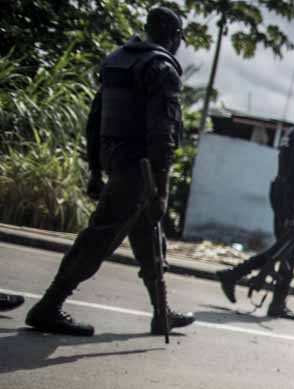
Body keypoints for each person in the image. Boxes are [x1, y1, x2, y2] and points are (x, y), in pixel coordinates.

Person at [24, 6, 193, 337]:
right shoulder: (161, 69)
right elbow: (162, 137)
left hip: (116, 158)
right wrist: (161, 190)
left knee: (150, 240)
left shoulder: (118, 59)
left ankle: (162, 312)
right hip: (140, 168)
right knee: (100, 237)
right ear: (174, 38)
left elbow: (96, 118)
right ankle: (50, 304)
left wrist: (95, 169)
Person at [217, 100, 294, 321]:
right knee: (290, 250)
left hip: (279, 193)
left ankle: (237, 276)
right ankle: (270, 299)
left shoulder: (291, 134)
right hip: (289, 199)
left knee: (282, 248)